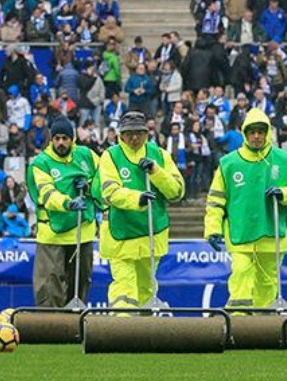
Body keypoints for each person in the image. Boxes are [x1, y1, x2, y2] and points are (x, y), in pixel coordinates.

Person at [204, 108, 287, 308]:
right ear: (245, 133)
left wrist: (284, 193)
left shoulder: (284, 159)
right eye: (252, 132)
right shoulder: (228, 163)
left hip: (272, 234)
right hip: (240, 233)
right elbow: (216, 200)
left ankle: (264, 322)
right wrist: (213, 229)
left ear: (267, 132)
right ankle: (239, 319)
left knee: (267, 284)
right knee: (241, 275)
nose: (257, 136)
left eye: (261, 132)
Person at [98, 112, 185, 310]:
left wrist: (156, 172)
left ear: (147, 133)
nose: (135, 138)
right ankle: (122, 322)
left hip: (152, 232)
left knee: (147, 288)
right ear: (121, 135)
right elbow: (110, 192)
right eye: (129, 134)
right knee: (124, 288)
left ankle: (146, 327)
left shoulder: (160, 155)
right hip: (120, 233)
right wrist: (138, 198)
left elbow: (177, 192)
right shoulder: (110, 156)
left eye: (139, 133)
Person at [25, 117, 102, 307]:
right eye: (57, 138)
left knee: (80, 284)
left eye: (65, 138)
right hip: (52, 235)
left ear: (72, 139)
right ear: (51, 139)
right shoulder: (41, 163)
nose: (61, 142)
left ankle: (75, 321)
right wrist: (68, 203)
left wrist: (89, 186)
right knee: (49, 286)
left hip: (82, 233)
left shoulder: (87, 155)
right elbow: (46, 193)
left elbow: (103, 179)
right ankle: (51, 323)